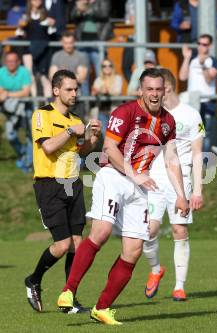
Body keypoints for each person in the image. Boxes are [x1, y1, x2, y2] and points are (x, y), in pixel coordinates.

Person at [57, 68, 190, 325]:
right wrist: (134, 174)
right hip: (114, 176)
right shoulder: (125, 112)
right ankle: (68, 291)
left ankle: (102, 308)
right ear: (140, 90)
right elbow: (109, 148)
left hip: (140, 187)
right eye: (149, 89)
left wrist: (181, 195)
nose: (154, 94)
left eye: (158, 89)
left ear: (165, 91)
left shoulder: (168, 122)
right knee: (102, 232)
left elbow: (172, 159)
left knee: (133, 250)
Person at [25, 69, 101, 313]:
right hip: (49, 184)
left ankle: (68, 299)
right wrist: (70, 132)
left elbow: (80, 153)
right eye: (69, 89)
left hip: (73, 183)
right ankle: (34, 280)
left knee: (78, 244)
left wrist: (93, 139)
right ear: (56, 90)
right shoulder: (42, 115)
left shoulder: (76, 119)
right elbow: (47, 147)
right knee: (62, 244)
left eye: (76, 89)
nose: (74, 93)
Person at [142, 68, 204, 302]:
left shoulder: (190, 115)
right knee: (149, 230)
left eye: (158, 88)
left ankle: (179, 286)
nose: (154, 94)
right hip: (154, 179)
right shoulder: (151, 115)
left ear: (168, 87)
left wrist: (197, 190)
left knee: (180, 230)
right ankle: (156, 269)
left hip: (182, 179)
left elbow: (198, 153)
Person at [179, 34, 217, 152]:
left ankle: (204, 162)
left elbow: (209, 79)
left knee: (205, 132)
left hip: (207, 102)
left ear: (210, 46)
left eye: (204, 44)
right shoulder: (192, 59)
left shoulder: (213, 60)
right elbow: (182, 77)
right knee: (193, 132)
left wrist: (203, 65)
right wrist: (186, 57)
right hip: (193, 103)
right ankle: (193, 159)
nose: (201, 47)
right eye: (199, 44)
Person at [0, 51, 32, 172]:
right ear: (5, 62)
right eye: (9, 61)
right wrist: (16, 94)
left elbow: (26, 92)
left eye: (14, 61)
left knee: (30, 135)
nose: (11, 63)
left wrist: (7, 93)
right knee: (10, 136)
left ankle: (29, 161)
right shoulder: (1, 72)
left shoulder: (24, 72)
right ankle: (23, 153)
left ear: (18, 62)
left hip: (25, 107)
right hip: (9, 111)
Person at [17, 0, 56, 97]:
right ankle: (35, 104)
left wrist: (52, 25)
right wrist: (20, 27)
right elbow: (20, 34)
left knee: (44, 77)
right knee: (31, 77)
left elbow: (52, 34)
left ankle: (47, 107)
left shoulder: (46, 14)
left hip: (44, 50)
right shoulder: (25, 15)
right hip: (29, 50)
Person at [70, 0, 113, 78]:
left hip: (98, 41)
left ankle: (100, 90)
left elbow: (104, 13)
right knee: (82, 75)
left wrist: (86, 8)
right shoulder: (81, 1)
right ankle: (83, 91)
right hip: (82, 42)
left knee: (100, 73)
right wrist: (78, 9)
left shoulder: (103, 1)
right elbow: (72, 16)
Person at [49, 31, 89, 97]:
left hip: (76, 91)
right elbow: (52, 76)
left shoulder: (81, 56)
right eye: (66, 43)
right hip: (60, 91)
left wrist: (64, 74)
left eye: (70, 43)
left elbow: (82, 78)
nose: (68, 46)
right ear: (62, 42)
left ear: (74, 42)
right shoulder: (56, 56)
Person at [91, 58, 123, 134]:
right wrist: (102, 90)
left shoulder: (117, 78)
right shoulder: (98, 79)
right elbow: (93, 92)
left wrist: (105, 90)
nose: (107, 67)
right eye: (104, 66)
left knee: (114, 134)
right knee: (105, 135)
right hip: (101, 111)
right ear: (101, 68)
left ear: (113, 67)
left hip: (115, 112)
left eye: (110, 65)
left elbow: (117, 92)